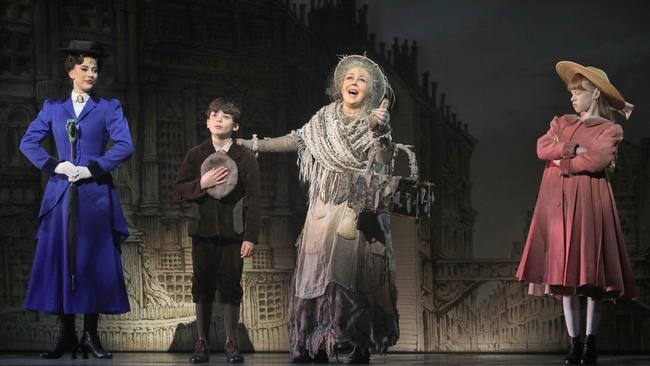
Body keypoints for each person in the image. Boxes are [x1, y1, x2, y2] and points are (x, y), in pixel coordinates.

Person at [239, 54, 398, 364]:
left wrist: (379, 131)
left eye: (362, 79)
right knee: (314, 274)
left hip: (355, 207)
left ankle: (351, 341)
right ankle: (314, 341)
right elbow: (296, 140)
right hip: (323, 207)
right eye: (349, 77)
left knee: (347, 275)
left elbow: (384, 162)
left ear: (370, 90)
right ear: (340, 84)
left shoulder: (375, 122)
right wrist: (253, 145)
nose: (354, 82)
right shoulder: (323, 119)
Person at [516, 61, 638, 365]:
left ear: (594, 94)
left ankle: (590, 344)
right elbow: (542, 148)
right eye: (570, 92)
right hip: (558, 205)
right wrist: (574, 151)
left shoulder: (610, 129)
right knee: (564, 275)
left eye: (578, 92)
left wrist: (563, 158)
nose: (572, 97)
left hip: (590, 204)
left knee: (592, 279)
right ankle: (574, 343)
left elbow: (597, 161)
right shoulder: (560, 122)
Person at [19, 40, 134, 359]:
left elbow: (125, 145)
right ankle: (66, 335)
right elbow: (27, 142)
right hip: (60, 195)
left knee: (92, 262)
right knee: (61, 259)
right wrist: (56, 165)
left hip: (95, 195)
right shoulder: (53, 109)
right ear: (70, 70)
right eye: (84, 68)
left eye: (95, 69)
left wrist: (91, 169)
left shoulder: (109, 107)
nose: (91, 74)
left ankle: (90, 335)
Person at [174, 97, 261, 364]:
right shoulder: (196, 154)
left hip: (233, 234)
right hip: (202, 231)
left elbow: (255, 199)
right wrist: (202, 182)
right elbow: (178, 191)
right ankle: (202, 343)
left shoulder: (245, 157)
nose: (218, 118)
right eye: (213, 114)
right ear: (207, 122)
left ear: (235, 126)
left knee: (230, 286)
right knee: (202, 286)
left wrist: (251, 236)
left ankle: (231, 343)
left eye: (225, 115)